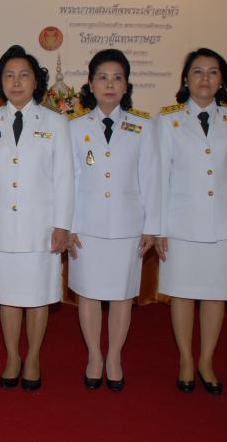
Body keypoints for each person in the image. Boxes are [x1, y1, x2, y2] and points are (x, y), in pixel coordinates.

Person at [155, 48, 227, 395]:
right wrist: (159, 227)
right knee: (183, 294)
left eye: (212, 72)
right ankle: (186, 359)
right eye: (197, 71)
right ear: (185, 79)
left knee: (217, 294)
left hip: (224, 223)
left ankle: (206, 360)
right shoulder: (168, 120)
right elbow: (160, 177)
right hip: (181, 224)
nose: (205, 78)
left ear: (222, 80)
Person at [0, 45, 74, 391]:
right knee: (8, 295)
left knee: (38, 295)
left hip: (40, 228)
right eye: (9, 76)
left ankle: (33, 358)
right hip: (0, 225)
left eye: (24, 75)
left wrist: (63, 224)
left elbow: (65, 178)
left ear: (36, 81)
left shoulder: (56, 123)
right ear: (0, 82)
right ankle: (13, 356)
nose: (16, 82)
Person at [66, 49, 160, 392]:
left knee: (122, 295)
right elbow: (69, 181)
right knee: (88, 294)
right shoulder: (74, 127)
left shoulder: (143, 127)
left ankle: (115, 356)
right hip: (86, 227)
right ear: (91, 84)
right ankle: (94, 355)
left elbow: (151, 178)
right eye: (103, 77)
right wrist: (68, 226)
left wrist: (152, 226)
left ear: (126, 85)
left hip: (127, 226)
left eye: (117, 78)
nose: (110, 84)